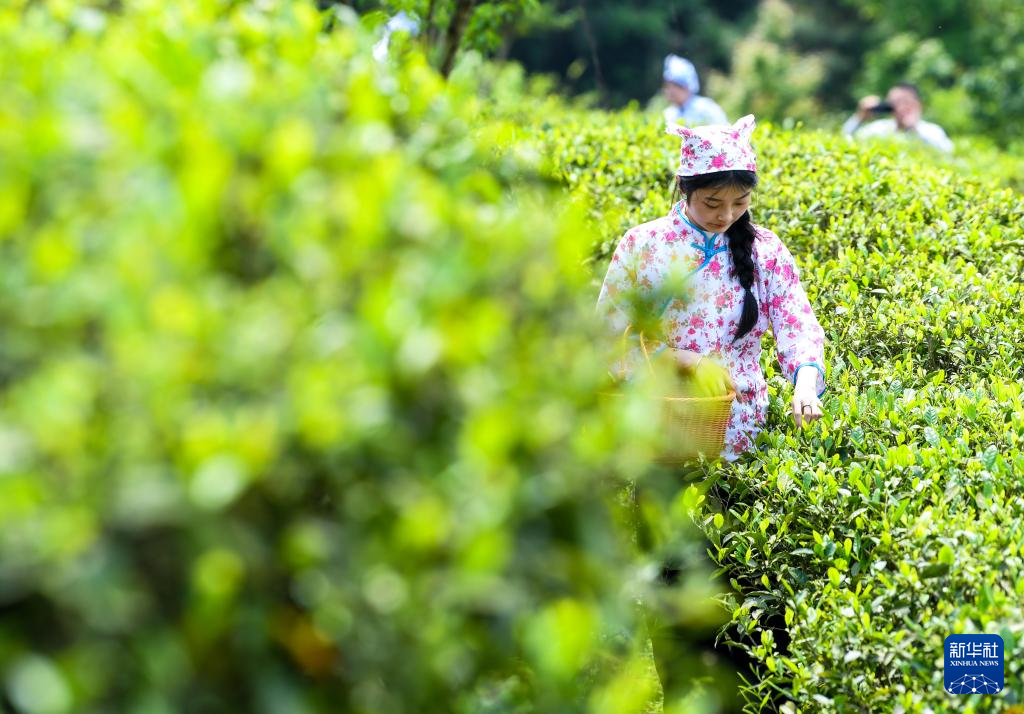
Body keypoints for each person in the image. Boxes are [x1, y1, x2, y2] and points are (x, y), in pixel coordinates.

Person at [597, 115, 826, 461]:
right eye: (712, 203)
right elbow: (608, 334)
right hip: (659, 421)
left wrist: (805, 384)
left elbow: (798, 326)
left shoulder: (765, 250)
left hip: (742, 426)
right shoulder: (644, 245)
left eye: (741, 202)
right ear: (684, 187)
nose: (727, 215)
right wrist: (686, 360)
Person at [842, 82, 953, 153]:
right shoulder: (881, 129)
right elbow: (846, 138)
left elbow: (948, 152)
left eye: (902, 102)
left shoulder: (931, 131)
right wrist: (860, 117)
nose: (897, 107)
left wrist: (914, 130)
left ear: (916, 104)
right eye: (892, 102)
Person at [661, 54, 728, 127]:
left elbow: (723, 130)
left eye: (676, 85)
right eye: (668, 85)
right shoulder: (668, 114)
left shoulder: (707, 109)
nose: (670, 90)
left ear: (687, 87)